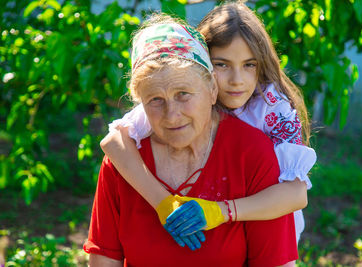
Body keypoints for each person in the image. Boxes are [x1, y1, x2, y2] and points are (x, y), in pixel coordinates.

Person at [101, 1, 316, 254]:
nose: (237, 80)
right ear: (202, 64)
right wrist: (163, 203)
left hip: (268, 215)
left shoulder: (272, 108)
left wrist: (222, 211)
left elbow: (296, 195)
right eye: (222, 64)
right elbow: (113, 142)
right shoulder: (177, 100)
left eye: (250, 64)